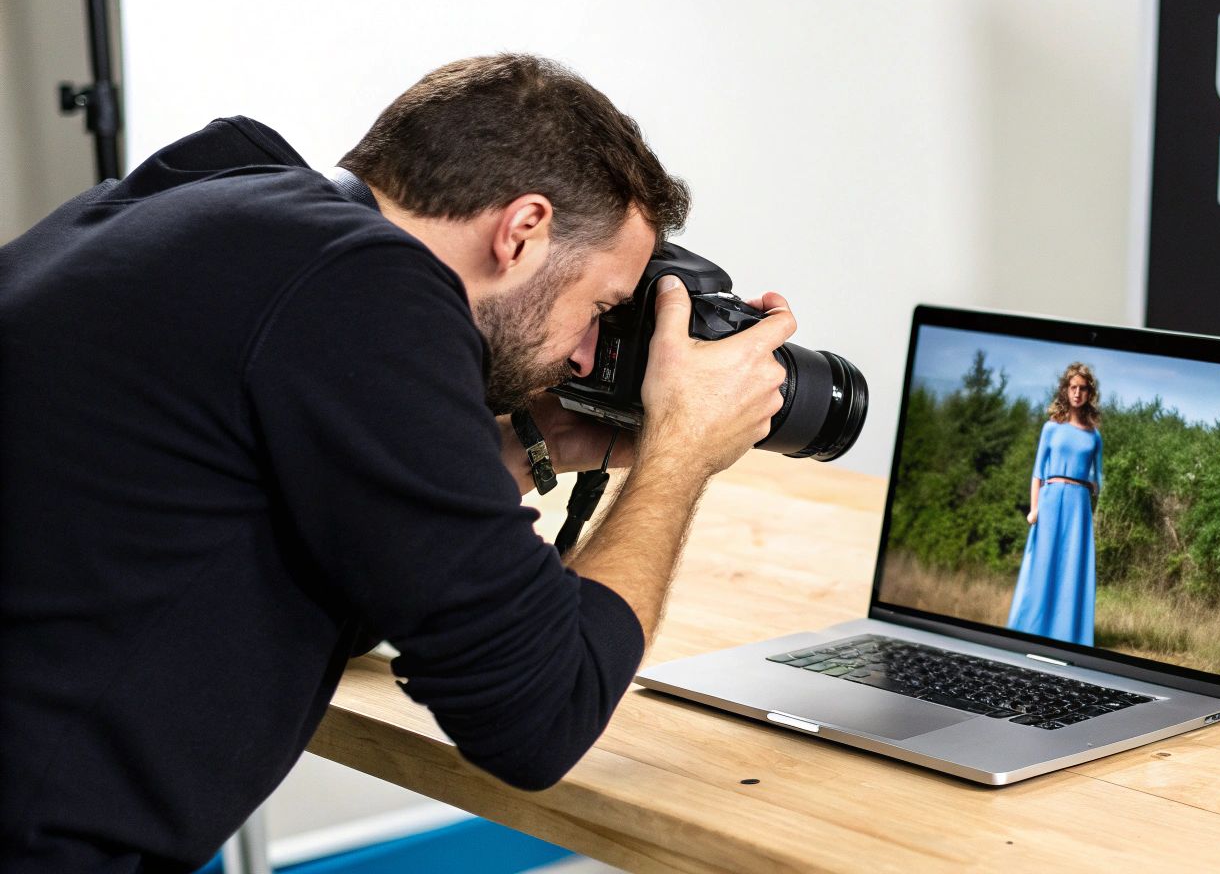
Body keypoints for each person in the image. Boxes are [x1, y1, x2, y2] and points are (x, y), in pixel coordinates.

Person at [0, 54, 795, 872]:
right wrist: (679, 454)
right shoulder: (366, 287)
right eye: (599, 307)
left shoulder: (218, 199)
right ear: (521, 231)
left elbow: (351, 548)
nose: (588, 357)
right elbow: (540, 715)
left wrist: (534, 447)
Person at [1007, 362, 1103, 647]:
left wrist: (1092, 497)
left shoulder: (1094, 436)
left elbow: (1098, 479)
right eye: (1073, 387)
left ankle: (1069, 636)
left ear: (1089, 393)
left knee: (1072, 568)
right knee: (1043, 564)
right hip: (1050, 501)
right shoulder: (1051, 428)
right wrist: (1033, 508)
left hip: (1079, 507)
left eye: (1083, 389)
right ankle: (1028, 630)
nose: (1077, 393)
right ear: (1065, 390)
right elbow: (1037, 472)